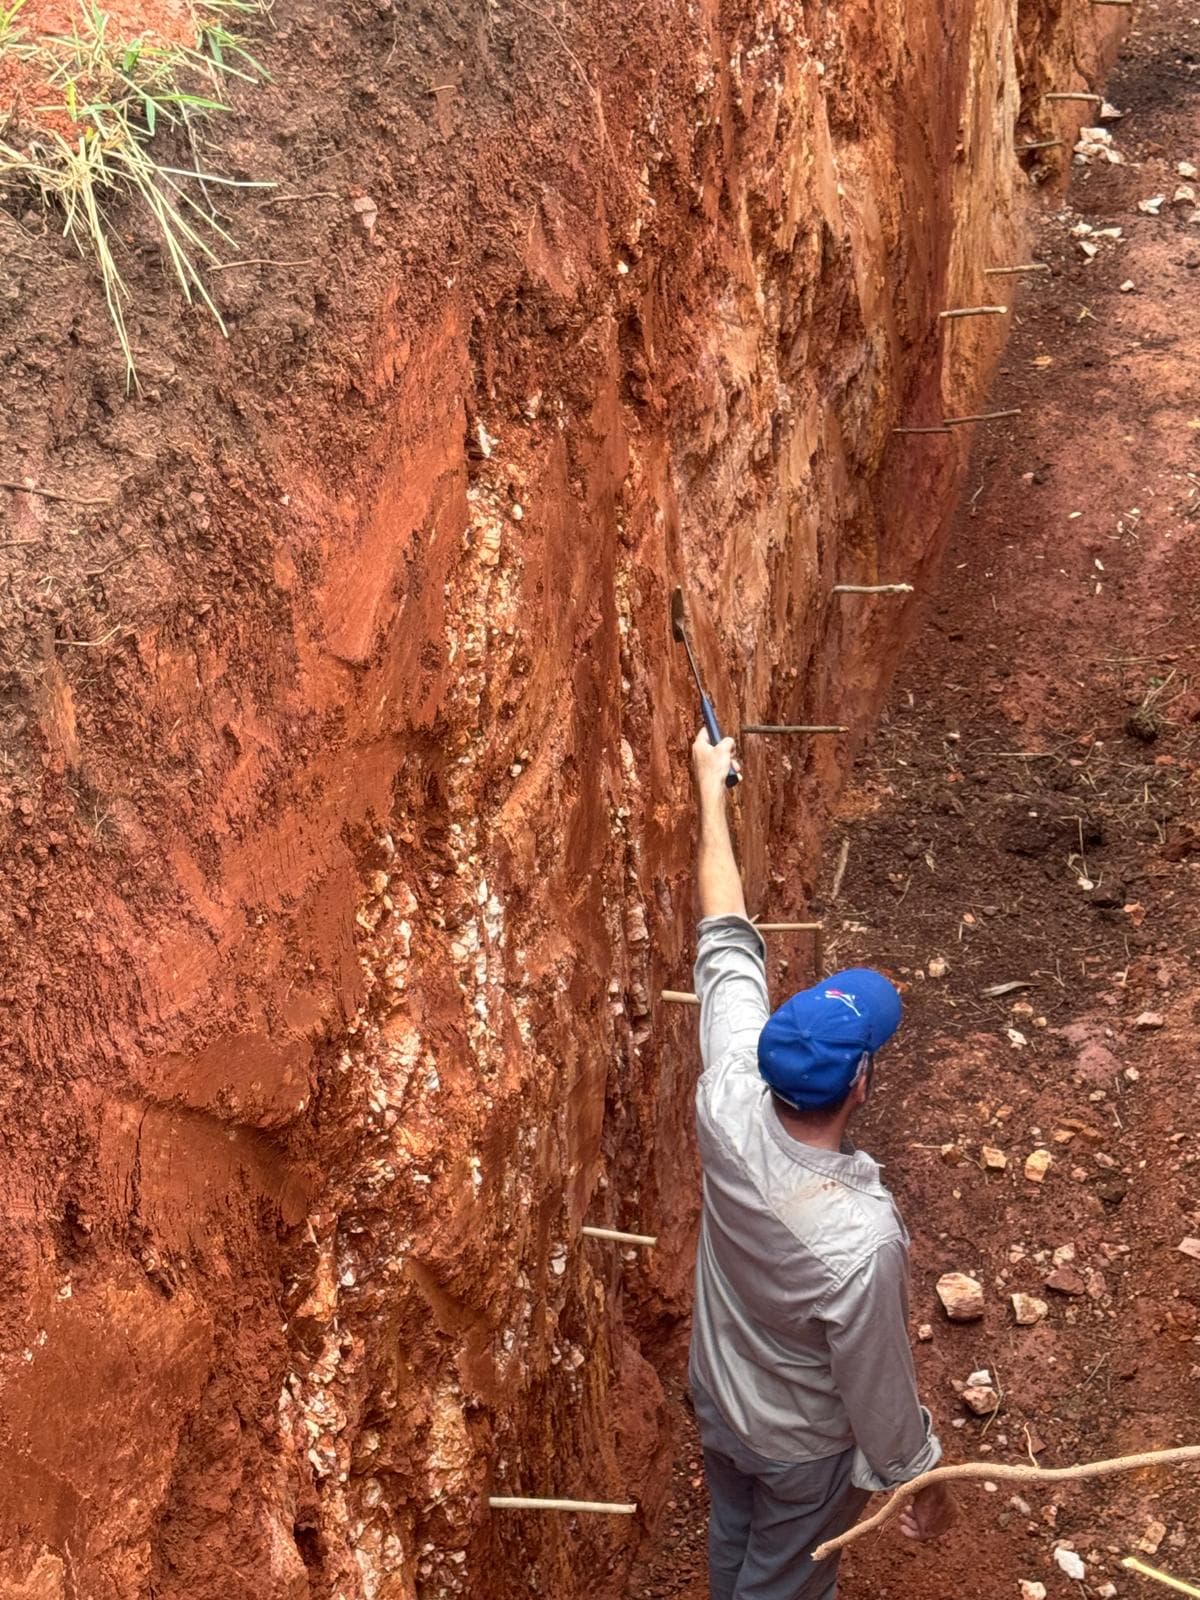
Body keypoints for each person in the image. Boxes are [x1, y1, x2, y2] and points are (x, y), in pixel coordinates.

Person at [687, 728, 956, 1600]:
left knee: (733, 1541)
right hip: (797, 1447)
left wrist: (708, 792)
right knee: (784, 1583)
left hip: (717, 1398)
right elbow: (877, 1387)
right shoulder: (859, 1240)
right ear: (863, 1083)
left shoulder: (727, 1095)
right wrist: (917, 1478)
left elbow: (724, 940)